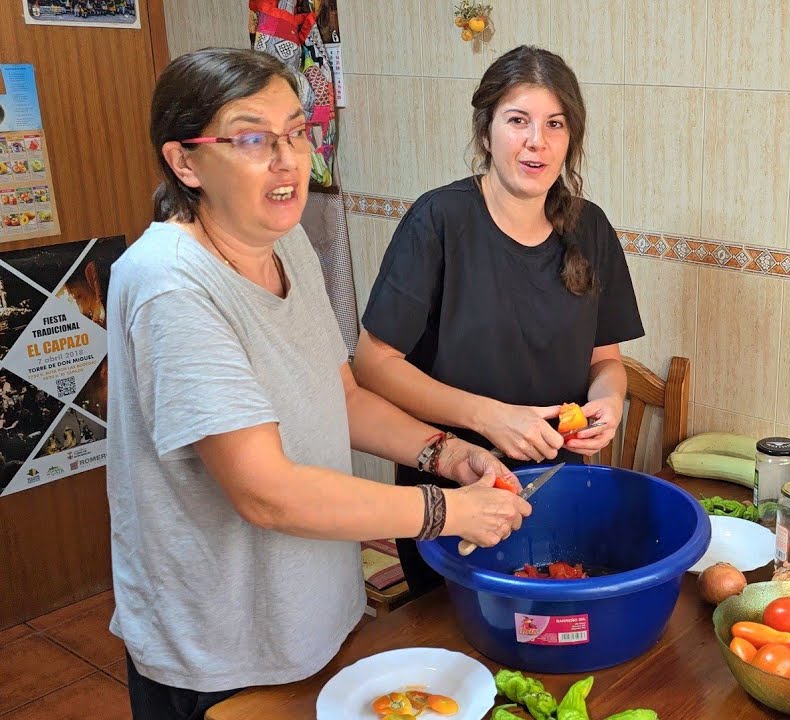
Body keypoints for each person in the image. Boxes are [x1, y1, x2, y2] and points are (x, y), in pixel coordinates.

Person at [106, 47, 531, 720]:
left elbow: (344, 396)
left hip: (315, 614)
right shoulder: (170, 285)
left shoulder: (288, 244)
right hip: (220, 648)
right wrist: (447, 512)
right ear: (185, 162)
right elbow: (266, 493)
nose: (287, 161)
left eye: (297, 133)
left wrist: (445, 452)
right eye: (251, 138)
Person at [351, 45, 644, 596]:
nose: (537, 141)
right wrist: (489, 418)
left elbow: (605, 360)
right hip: (452, 496)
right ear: (486, 133)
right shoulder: (437, 222)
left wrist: (610, 400)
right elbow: (372, 365)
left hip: (558, 493)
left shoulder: (591, 228)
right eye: (518, 121)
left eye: (554, 124)